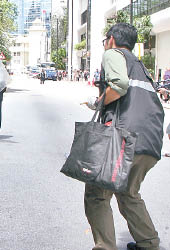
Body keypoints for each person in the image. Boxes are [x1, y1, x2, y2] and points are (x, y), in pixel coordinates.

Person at [83, 23, 165, 250]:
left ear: (111, 40)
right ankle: (148, 243)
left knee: (97, 195)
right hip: (149, 142)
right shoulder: (141, 66)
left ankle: (105, 247)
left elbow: (119, 85)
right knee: (128, 192)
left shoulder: (113, 53)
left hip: (123, 138)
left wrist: (98, 103)